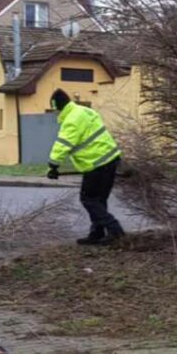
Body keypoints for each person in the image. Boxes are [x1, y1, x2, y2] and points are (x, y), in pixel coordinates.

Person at [46, 89, 125, 246]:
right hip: (110, 159)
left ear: (57, 107)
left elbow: (64, 144)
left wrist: (53, 165)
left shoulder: (71, 119)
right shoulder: (85, 111)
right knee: (99, 200)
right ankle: (96, 233)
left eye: (54, 109)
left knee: (89, 199)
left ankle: (116, 231)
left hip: (96, 164)